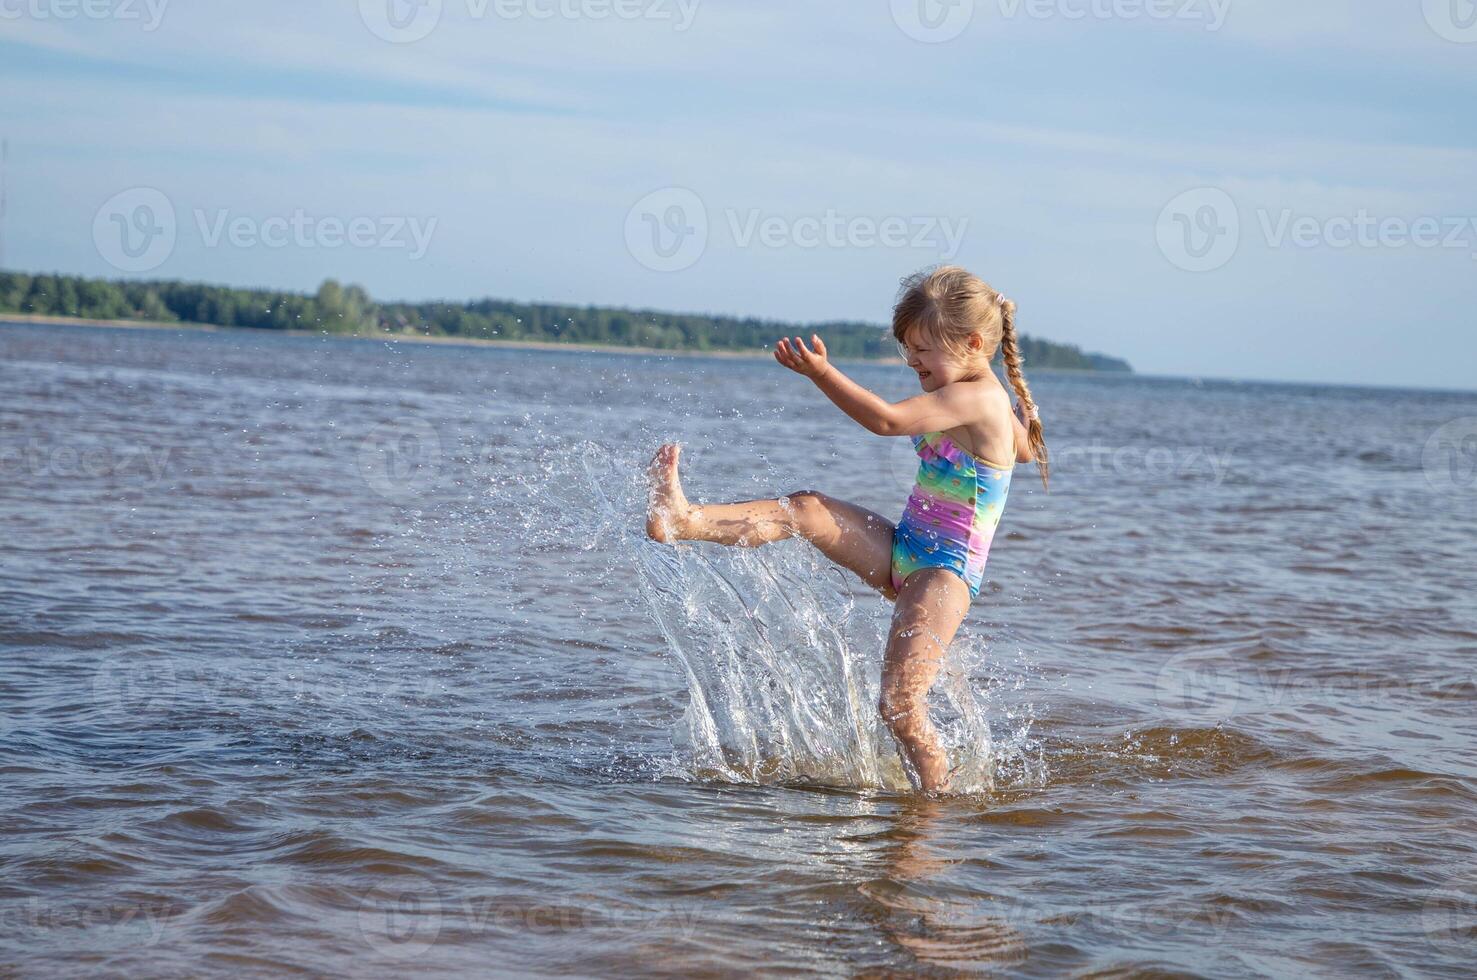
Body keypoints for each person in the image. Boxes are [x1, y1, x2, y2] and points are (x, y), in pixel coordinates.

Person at [645, 266, 1049, 793]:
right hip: (905, 548)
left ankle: (935, 805)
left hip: (942, 575)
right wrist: (1024, 418)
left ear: (973, 343)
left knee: (901, 706)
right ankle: (683, 520)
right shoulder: (982, 394)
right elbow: (1023, 449)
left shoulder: (976, 398)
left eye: (923, 350)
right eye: (908, 350)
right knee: (807, 509)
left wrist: (821, 374)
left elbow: (884, 420)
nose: (913, 362)